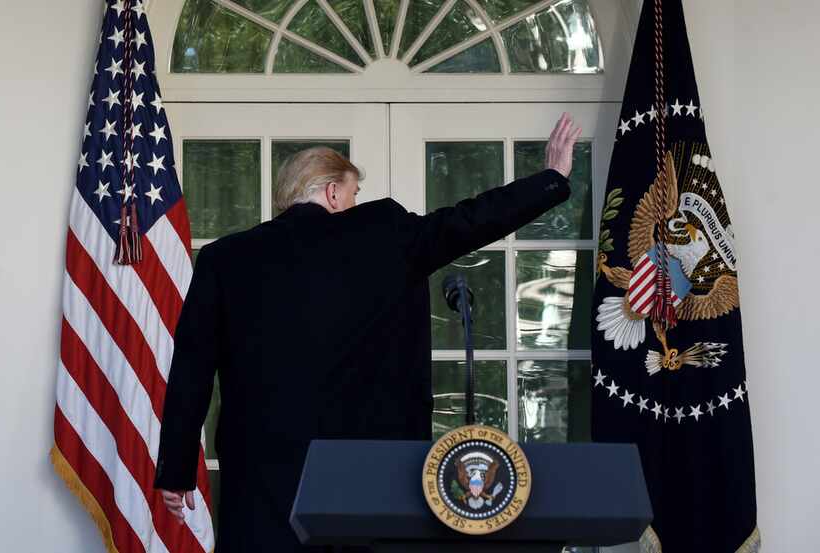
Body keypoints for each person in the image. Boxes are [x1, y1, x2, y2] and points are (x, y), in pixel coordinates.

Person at [154, 113, 582, 551]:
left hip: (263, 481)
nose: (357, 203)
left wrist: (177, 466)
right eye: (355, 193)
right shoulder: (387, 234)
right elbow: (471, 219)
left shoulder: (227, 259)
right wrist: (551, 178)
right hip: (375, 477)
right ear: (334, 192)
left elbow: (192, 365)